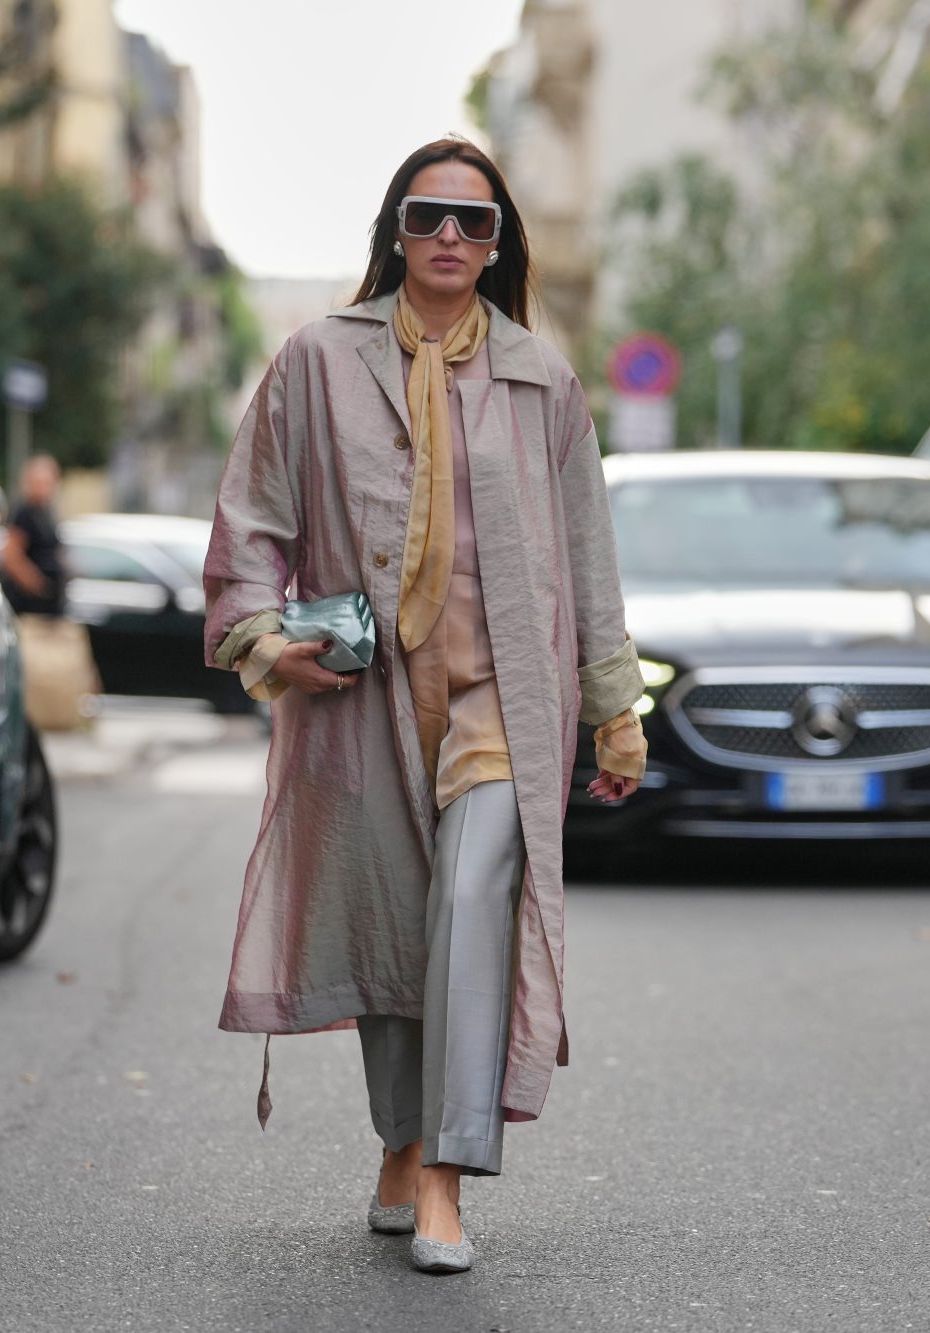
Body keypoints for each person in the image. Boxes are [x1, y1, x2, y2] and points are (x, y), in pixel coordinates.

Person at [202, 138, 646, 1275]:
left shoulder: (541, 381)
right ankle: (399, 1141)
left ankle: (445, 1173)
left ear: (499, 246)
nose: (450, 236)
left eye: (474, 221)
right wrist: (267, 639)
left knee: (472, 894)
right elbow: (251, 520)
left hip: (507, 691)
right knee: (399, 916)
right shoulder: (316, 361)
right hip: (368, 693)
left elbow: (588, 555)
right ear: (395, 232)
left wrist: (614, 706)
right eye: (427, 215)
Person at [0, 454, 67, 617]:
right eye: (38, 483)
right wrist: (39, 586)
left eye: (47, 482)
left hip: (48, 607)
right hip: (29, 606)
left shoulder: (46, 512)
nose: (44, 488)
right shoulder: (23, 513)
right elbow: (11, 557)